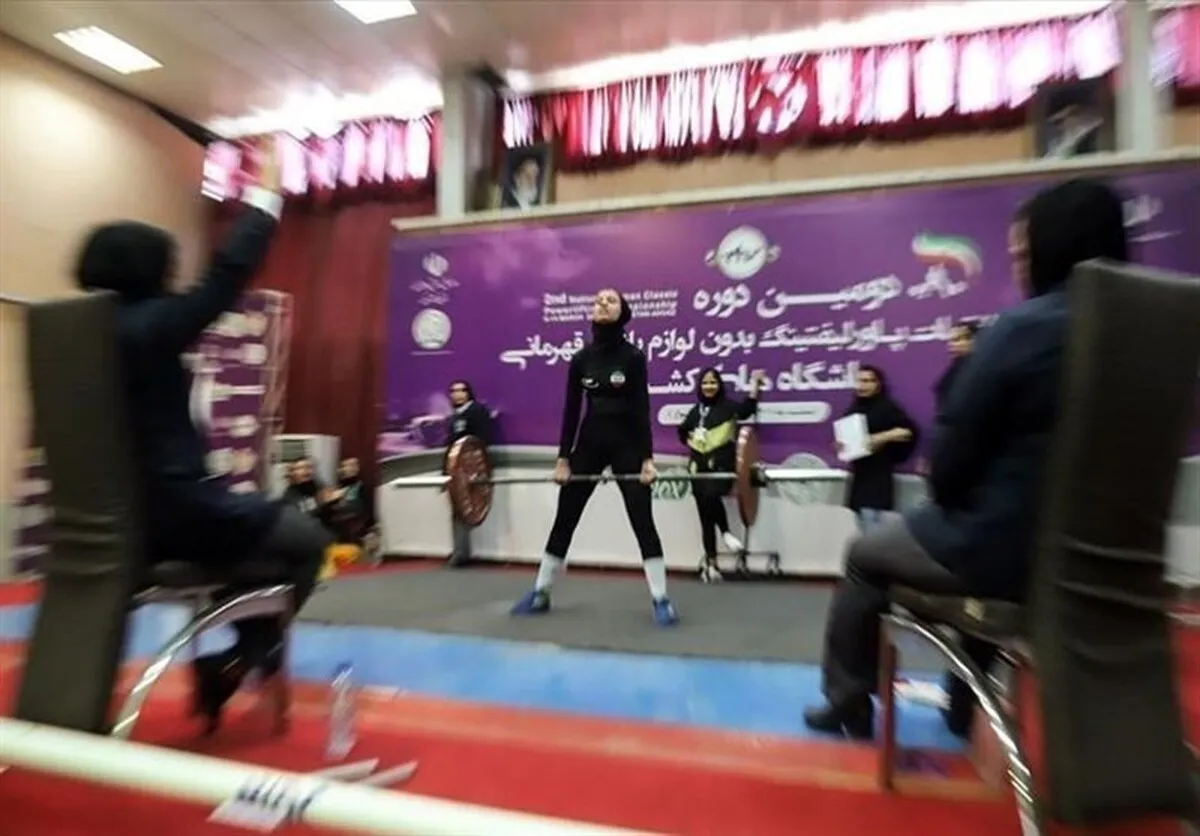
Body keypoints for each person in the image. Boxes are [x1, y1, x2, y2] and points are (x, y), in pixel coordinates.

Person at [803, 178, 1130, 739]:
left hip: (1008, 559)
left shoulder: (1021, 330)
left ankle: (849, 700)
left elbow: (950, 471)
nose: (1019, 269)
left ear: (1054, 249)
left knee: (866, 554)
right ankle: (964, 705)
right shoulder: (1149, 328)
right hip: (1112, 564)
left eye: (1022, 255)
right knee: (987, 537)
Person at [74, 145, 329, 734]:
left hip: (116, 523)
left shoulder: (82, 332)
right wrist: (266, 197)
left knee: (265, 559)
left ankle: (234, 660)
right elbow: (228, 275)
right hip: (179, 515)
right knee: (307, 541)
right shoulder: (147, 326)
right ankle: (237, 662)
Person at [511, 288, 678, 625]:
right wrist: (563, 458)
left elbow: (641, 409)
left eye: (611, 300)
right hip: (589, 443)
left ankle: (661, 599)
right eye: (598, 299)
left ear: (623, 312)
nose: (602, 303)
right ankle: (541, 592)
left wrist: (647, 459)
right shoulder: (580, 359)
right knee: (565, 518)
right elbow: (572, 410)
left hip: (628, 445)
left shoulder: (633, 357)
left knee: (642, 520)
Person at [677, 367, 764, 580]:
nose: (709, 386)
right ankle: (711, 564)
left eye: (713, 382)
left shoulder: (728, 407)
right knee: (705, 518)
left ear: (720, 385)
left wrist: (755, 387)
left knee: (711, 496)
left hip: (721, 466)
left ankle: (725, 532)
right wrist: (692, 440)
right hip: (698, 468)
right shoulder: (696, 411)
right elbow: (682, 431)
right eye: (705, 383)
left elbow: (746, 410)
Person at [839, 365, 919, 532]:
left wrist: (879, 438)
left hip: (878, 479)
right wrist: (842, 446)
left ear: (878, 384)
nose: (863, 385)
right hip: (859, 478)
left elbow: (907, 432)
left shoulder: (886, 408)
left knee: (874, 531)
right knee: (864, 529)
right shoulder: (854, 409)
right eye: (860, 381)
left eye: (868, 381)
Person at [444, 380, 493, 566]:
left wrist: (480, 470)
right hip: (456, 470)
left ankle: (461, 553)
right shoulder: (454, 416)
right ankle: (460, 551)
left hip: (472, 469)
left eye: (461, 390)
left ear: (468, 393)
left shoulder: (477, 411)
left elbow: (482, 441)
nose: (457, 394)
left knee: (467, 509)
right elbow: (450, 447)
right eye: (454, 391)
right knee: (457, 509)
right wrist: (446, 472)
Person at [932, 321, 980, 420]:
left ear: (974, 340)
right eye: (950, 340)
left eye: (957, 340)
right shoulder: (954, 369)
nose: (951, 345)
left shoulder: (984, 371)